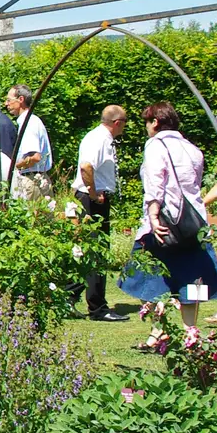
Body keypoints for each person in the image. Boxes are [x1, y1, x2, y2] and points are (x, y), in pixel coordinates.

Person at [119, 102, 217, 333]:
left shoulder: (155, 146)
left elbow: (155, 183)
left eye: (147, 122)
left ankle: (158, 331)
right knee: (192, 278)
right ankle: (191, 332)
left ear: (155, 122)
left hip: (164, 223)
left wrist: (153, 215)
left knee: (146, 275)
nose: (147, 127)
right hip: (192, 224)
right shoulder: (192, 148)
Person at [72, 105, 130, 321]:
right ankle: (98, 308)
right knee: (97, 252)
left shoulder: (98, 137)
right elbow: (86, 167)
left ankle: (70, 295)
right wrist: (94, 193)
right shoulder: (100, 139)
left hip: (90, 197)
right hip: (93, 199)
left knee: (91, 250)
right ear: (117, 123)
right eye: (124, 123)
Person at [4, 85, 52, 200]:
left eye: (9, 100)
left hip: (32, 181)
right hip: (37, 178)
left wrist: (12, 168)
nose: (6, 104)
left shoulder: (28, 123)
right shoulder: (30, 121)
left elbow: (34, 157)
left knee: (33, 217)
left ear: (21, 100)